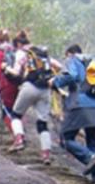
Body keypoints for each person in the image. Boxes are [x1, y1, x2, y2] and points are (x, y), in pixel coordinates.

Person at [51, 44, 95, 184]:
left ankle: (89, 158)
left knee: (66, 138)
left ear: (70, 53)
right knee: (92, 142)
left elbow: (72, 76)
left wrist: (55, 82)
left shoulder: (73, 60)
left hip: (79, 105)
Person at [5, 32, 61, 164]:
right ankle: (46, 154)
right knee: (42, 124)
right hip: (45, 90)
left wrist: (6, 68)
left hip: (29, 87)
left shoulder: (22, 55)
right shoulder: (44, 56)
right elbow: (59, 66)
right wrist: (53, 77)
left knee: (16, 115)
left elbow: (16, 72)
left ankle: (19, 138)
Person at [0, 29, 20, 136]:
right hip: (16, 82)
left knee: (6, 110)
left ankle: (16, 135)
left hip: (4, 83)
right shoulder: (14, 50)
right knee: (16, 109)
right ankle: (19, 131)